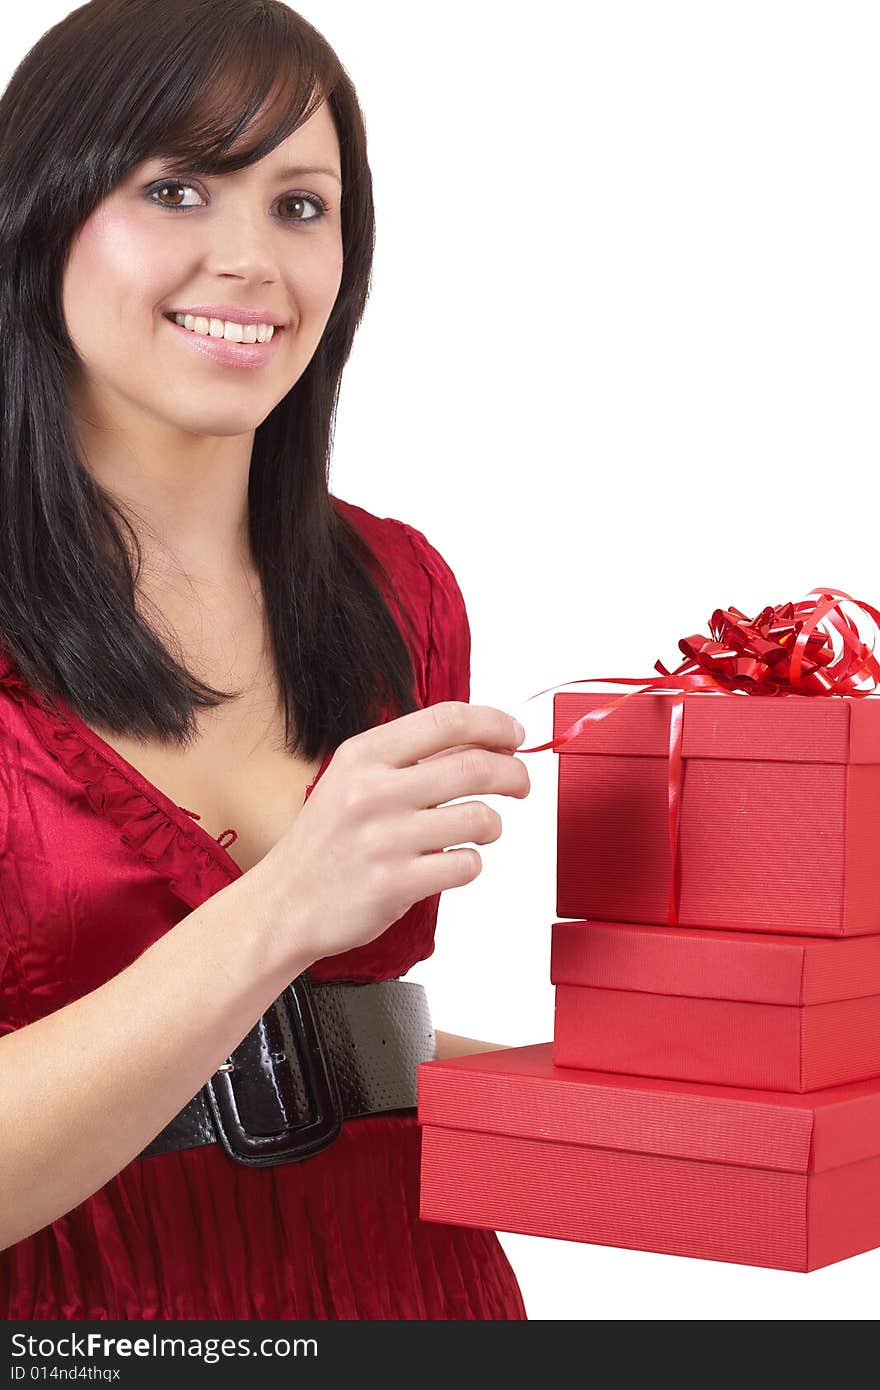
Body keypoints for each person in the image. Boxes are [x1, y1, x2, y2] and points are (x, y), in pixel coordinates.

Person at [0, 0, 530, 1319]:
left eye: (302, 205)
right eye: (177, 186)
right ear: (38, 208)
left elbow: (352, 1047)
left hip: (412, 1292)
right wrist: (285, 902)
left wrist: (703, 1115)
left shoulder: (397, 588)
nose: (251, 259)